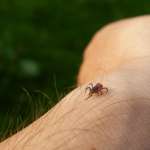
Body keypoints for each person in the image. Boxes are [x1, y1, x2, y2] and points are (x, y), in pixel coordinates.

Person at [1, 15, 150, 150]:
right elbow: (99, 88)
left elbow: (102, 88)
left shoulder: (98, 89)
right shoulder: (96, 89)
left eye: (93, 91)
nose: (94, 91)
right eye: (93, 91)